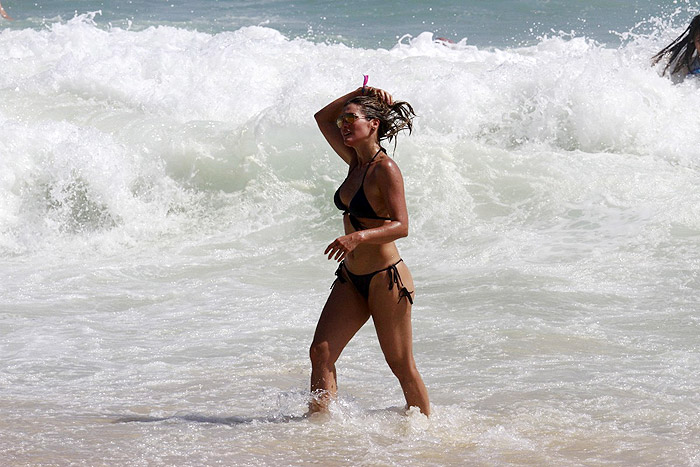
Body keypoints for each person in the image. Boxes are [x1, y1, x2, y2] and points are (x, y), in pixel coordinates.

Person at [308, 82, 430, 416]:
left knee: (401, 365)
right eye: (344, 120)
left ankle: (426, 433)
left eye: (352, 118)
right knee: (321, 353)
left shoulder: (384, 169)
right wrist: (357, 95)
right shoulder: (354, 161)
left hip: (385, 279)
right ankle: (318, 429)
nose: (343, 124)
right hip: (351, 276)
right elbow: (322, 118)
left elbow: (401, 225)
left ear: (373, 124)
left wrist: (356, 238)